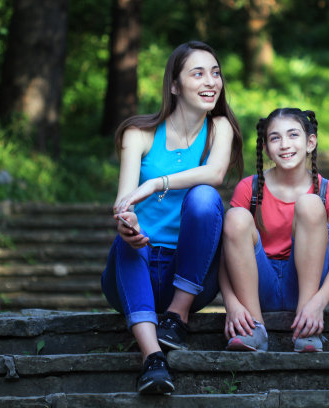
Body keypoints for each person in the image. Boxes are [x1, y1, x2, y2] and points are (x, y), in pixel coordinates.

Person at [101, 40, 243, 394]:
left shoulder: (219, 128)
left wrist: (156, 184)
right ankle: (153, 359)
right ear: (175, 85)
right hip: (138, 267)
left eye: (215, 73)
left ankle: (177, 316)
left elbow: (213, 174)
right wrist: (127, 222)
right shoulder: (139, 133)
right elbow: (123, 202)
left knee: (205, 197)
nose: (211, 81)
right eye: (198, 73)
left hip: (191, 279)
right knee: (126, 244)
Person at [219, 108, 329, 353]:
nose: (284, 144)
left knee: (310, 204)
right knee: (235, 217)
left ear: (310, 142)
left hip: (303, 287)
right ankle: (254, 329)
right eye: (275, 138)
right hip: (258, 287)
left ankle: (306, 328)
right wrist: (232, 303)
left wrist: (317, 305)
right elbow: (226, 256)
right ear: (266, 148)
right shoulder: (250, 188)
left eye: (293, 135)